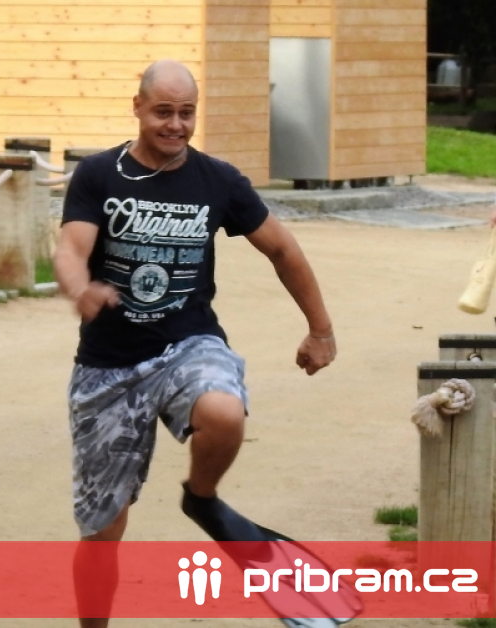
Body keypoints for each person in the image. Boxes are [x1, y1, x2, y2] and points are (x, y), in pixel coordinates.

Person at [53, 60, 339, 627]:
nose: (176, 125)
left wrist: (321, 329)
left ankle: (201, 496)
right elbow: (70, 247)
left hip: (188, 344)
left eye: (187, 113)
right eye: (163, 111)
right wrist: (80, 288)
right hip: (109, 367)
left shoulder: (217, 180)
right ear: (137, 107)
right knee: (103, 531)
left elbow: (282, 248)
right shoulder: (99, 174)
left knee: (224, 412)